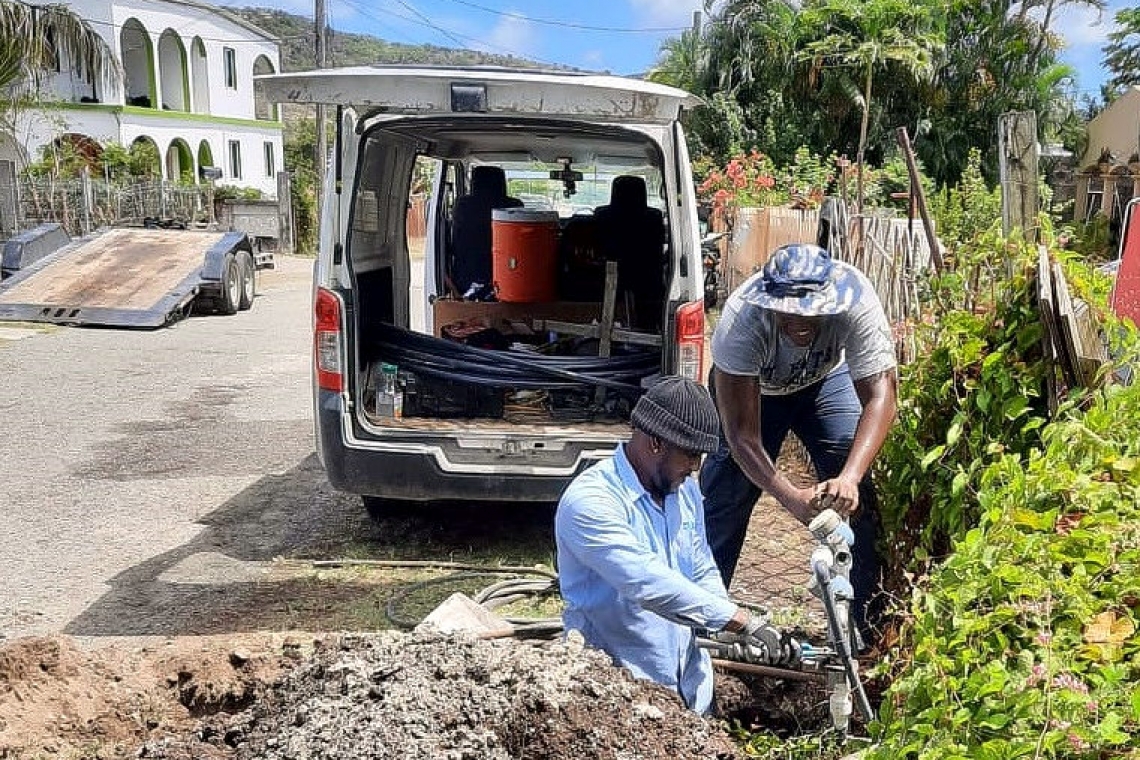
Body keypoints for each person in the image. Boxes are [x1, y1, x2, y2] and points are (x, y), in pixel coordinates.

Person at [555, 376, 784, 715]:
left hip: (690, 690)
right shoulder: (590, 502)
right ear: (656, 443)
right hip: (616, 696)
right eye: (690, 454)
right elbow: (647, 584)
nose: (694, 468)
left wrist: (721, 625)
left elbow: (702, 565)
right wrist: (739, 621)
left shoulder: (684, 491)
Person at [699, 243, 898, 634]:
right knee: (728, 494)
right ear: (770, 301)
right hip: (757, 392)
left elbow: (882, 396)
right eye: (788, 309)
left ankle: (862, 629)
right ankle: (702, 617)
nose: (799, 319)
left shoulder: (856, 300)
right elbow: (742, 437)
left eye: (810, 309)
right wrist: (791, 498)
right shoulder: (742, 322)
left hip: (827, 381)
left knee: (857, 493)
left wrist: (850, 478)